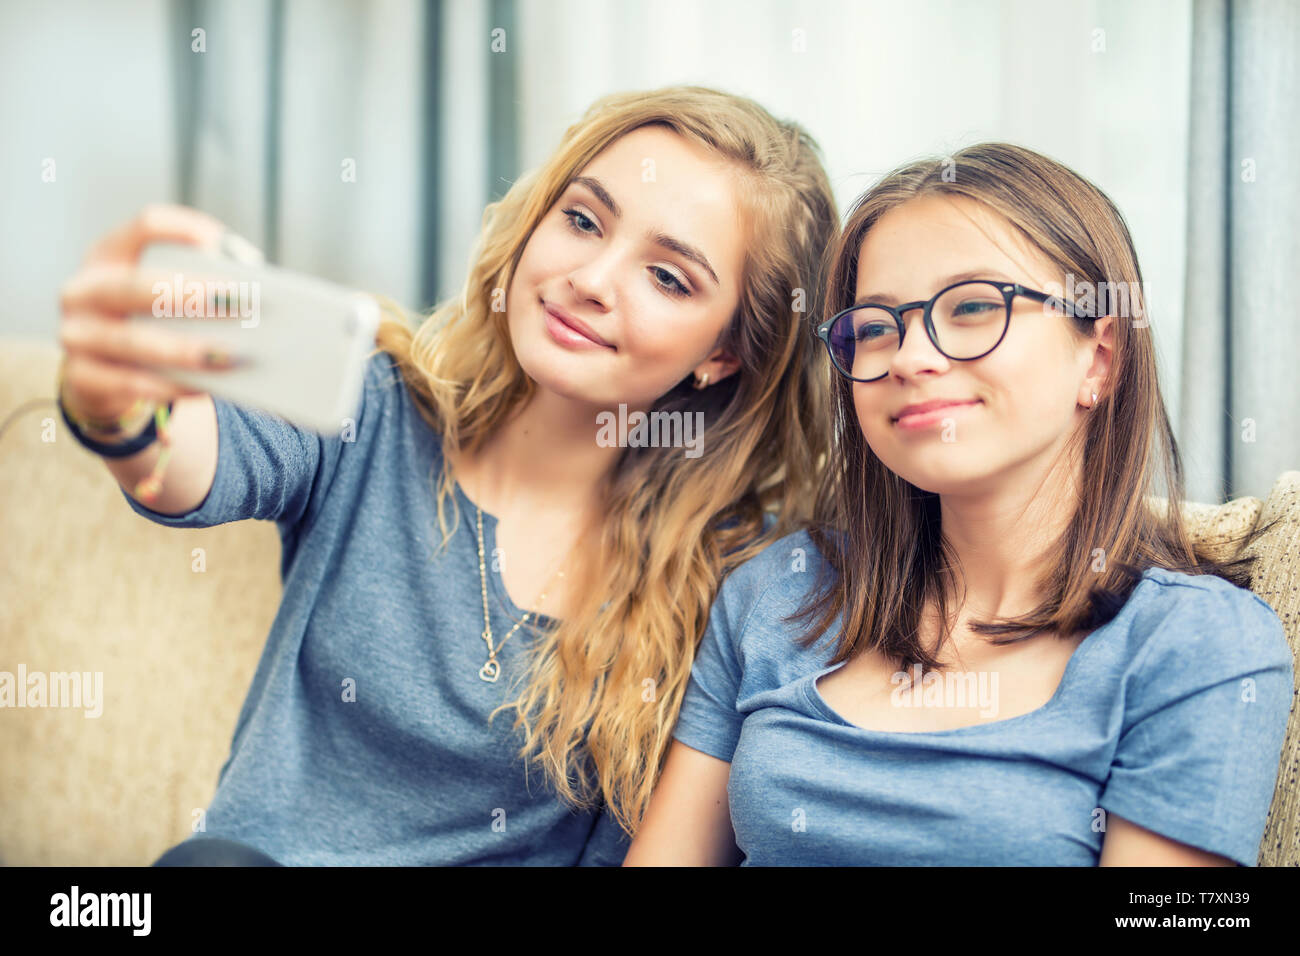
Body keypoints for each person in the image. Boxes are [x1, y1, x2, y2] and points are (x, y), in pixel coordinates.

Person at [55, 85, 839, 865]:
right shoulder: (375, 409)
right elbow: (180, 464)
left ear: (723, 353)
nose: (592, 279)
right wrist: (118, 404)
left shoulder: (739, 582)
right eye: (582, 220)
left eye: (668, 277)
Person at [625, 142, 1294, 867]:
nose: (911, 358)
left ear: (1099, 358)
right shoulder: (776, 590)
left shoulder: (1199, 644)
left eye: (974, 307)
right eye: (876, 327)